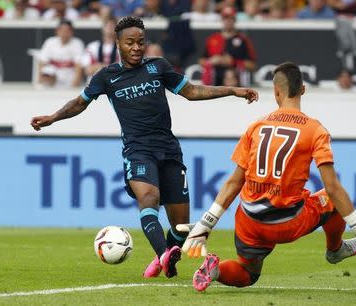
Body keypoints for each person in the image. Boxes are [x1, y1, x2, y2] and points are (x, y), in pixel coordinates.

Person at [30, 16, 259, 279]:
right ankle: (163, 254)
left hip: (169, 150)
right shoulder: (106, 77)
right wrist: (52, 118)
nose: (137, 47)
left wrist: (232, 90)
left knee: (181, 226)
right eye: (130, 43)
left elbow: (192, 91)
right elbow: (79, 103)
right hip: (138, 150)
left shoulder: (158, 67)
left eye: (141, 42)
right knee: (149, 198)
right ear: (118, 44)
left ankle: (160, 256)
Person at [177, 62, 356, 292]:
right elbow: (332, 187)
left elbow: (234, 181)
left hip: (248, 221)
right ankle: (335, 250)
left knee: (249, 273)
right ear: (303, 90)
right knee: (330, 200)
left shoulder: (256, 126)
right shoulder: (315, 130)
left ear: (276, 92)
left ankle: (217, 270)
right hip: (288, 223)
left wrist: (205, 224)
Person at [199, 6, 257, 86]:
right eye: (225, 18)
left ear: (234, 20)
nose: (228, 21)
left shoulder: (243, 40)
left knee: (230, 75)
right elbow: (201, 60)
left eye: (230, 18)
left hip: (237, 83)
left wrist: (233, 62)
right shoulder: (212, 39)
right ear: (222, 20)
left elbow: (252, 65)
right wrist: (212, 61)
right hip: (214, 83)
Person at [38, 19, 84, 88]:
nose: (64, 33)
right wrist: (39, 80)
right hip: (53, 78)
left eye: (67, 31)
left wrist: (74, 85)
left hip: (69, 77)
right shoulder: (50, 42)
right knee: (47, 70)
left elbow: (79, 66)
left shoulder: (77, 43)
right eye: (62, 30)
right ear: (57, 31)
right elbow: (42, 62)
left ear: (71, 32)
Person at [81, 16, 119, 81]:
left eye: (112, 25)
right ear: (103, 28)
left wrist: (99, 67)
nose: (110, 27)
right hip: (94, 87)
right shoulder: (92, 47)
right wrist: (111, 67)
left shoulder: (123, 48)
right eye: (107, 25)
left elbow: (123, 71)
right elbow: (88, 70)